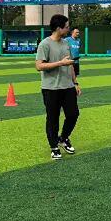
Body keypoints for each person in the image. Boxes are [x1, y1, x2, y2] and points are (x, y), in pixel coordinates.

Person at [35, 14, 80, 161]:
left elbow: (70, 64)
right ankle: (54, 147)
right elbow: (39, 66)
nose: (68, 29)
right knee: (53, 119)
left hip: (68, 87)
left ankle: (63, 138)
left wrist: (75, 83)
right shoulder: (45, 44)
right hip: (51, 89)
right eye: (66, 27)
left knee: (73, 114)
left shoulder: (66, 43)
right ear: (58, 28)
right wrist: (60, 63)